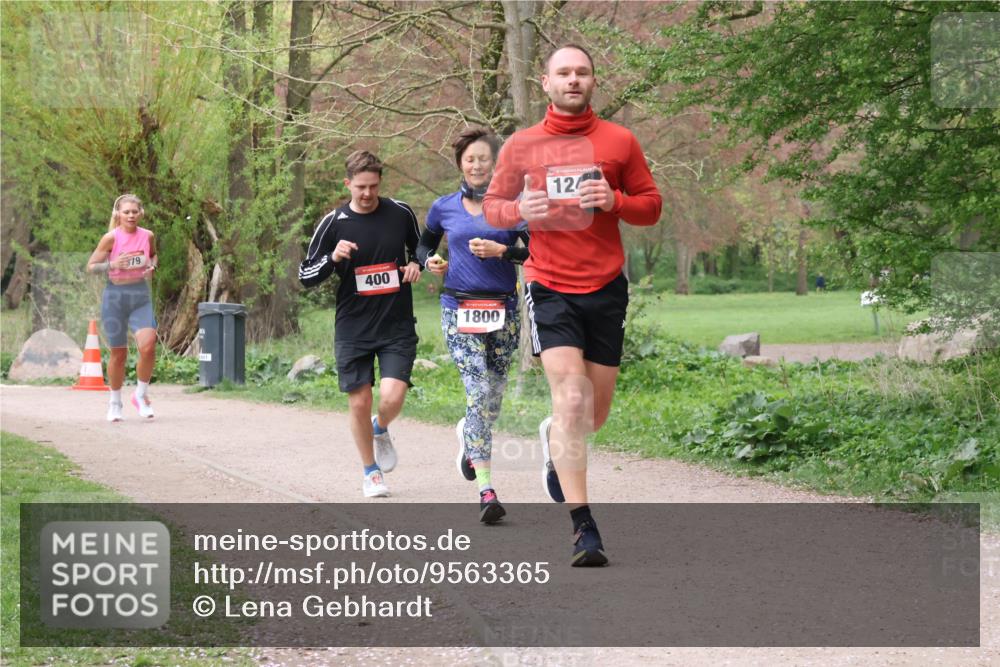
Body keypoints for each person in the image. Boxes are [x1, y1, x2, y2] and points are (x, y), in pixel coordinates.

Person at [483, 44, 662, 566]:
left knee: (593, 414)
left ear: (593, 81)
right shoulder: (521, 145)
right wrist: (518, 208)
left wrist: (616, 201)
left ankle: (554, 438)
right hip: (549, 283)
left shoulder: (619, 141)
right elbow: (493, 207)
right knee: (572, 397)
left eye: (582, 72)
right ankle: (584, 527)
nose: (574, 80)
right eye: (564, 72)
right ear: (546, 82)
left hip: (605, 286)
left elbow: (651, 207)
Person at [415, 127, 529, 525]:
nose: (477, 164)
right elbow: (423, 245)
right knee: (478, 389)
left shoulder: (514, 207)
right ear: (460, 164)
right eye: (470, 159)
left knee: (492, 397)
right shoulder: (443, 207)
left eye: (483, 158)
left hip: (504, 310)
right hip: (458, 308)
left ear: (494, 163)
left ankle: (469, 436)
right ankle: (486, 488)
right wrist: (430, 261)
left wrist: (503, 250)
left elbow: (531, 250)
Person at [299, 150, 421, 498]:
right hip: (353, 326)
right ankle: (371, 472)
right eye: (361, 187)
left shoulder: (400, 212)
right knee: (358, 401)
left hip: (396, 323)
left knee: (393, 396)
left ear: (380, 182)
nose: (367, 194)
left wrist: (419, 266)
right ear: (347, 183)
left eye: (373, 186)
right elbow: (305, 274)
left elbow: (422, 249)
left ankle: (380, 428)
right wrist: (332, 258)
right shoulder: (333, 222)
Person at [86, 194, 159, 422]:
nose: (130, 215)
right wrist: (112, 265)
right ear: (118, 214)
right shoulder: (110, 238)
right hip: (115, 297)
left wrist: (151, 267)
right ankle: (115, 402)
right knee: (119, 353)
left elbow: (154, 256)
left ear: (141, 213)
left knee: (148, 346)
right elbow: (90, 266)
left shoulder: (147, 236)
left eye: (134, 212)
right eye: (126, 212)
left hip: (140, 296)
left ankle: (140, 395)